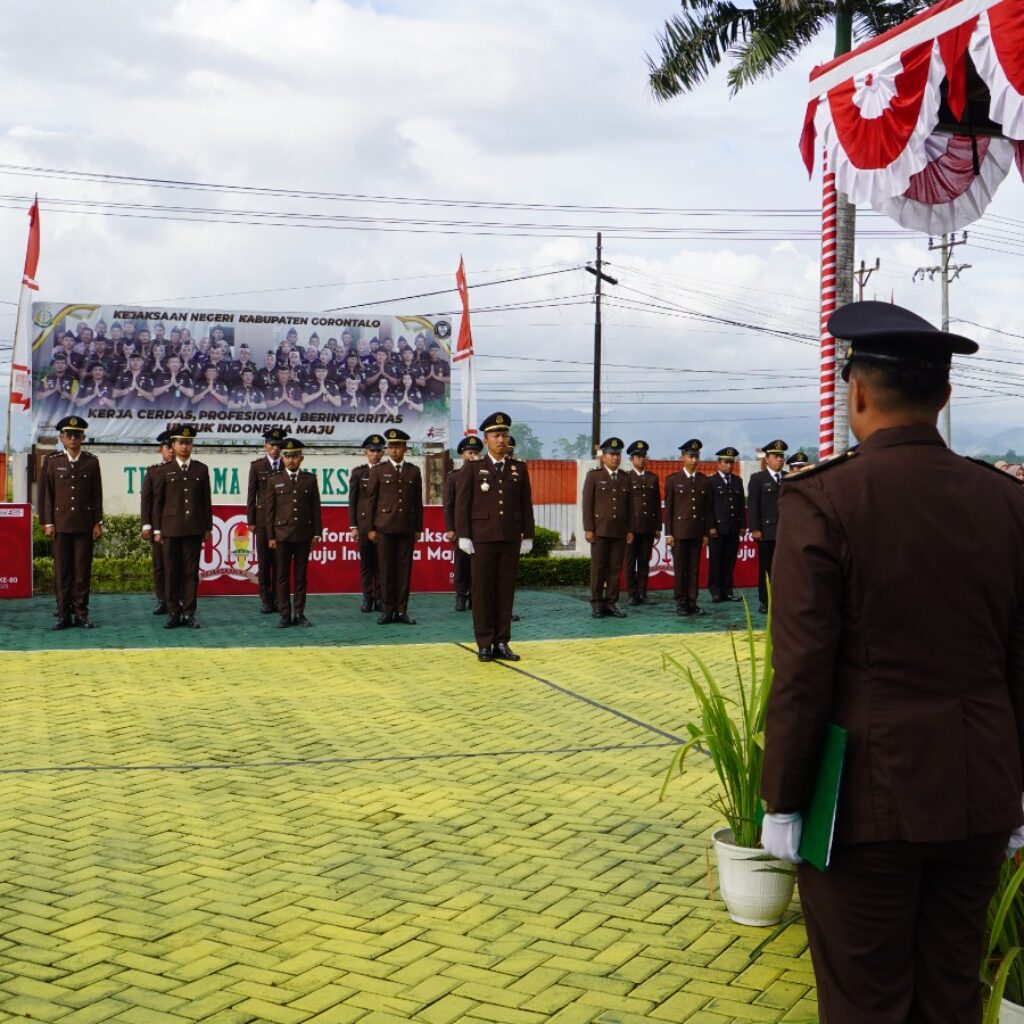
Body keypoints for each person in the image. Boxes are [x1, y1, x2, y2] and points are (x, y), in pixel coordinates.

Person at [761, 301, 1024, 1024]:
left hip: (861, 807)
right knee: (950, 993)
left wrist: (783, 800)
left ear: (858, 392)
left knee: (865, 1001)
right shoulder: (1005, 501)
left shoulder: (824, 498)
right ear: (944, 395)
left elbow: (803, 670)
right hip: (978, 792)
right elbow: (1020, 660)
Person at [454, 411, 534, 662]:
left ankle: (502, 641)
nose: (501, 440)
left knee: (505, 592)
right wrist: (464, 535)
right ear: (486, 439)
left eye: (505, 435)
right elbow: (462, 504)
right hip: (483, 539)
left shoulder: (518, 468)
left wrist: (527, 535)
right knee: (482, 592)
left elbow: (525, 504)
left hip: (509, 537)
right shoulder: (473, 467)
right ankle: (485, 643)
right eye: (496, 435)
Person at [37, 416, 103, 629]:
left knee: (82, 571)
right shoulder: (53, 461)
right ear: (61, 437)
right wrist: (47, 522)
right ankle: (64, 614)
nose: (73, 438)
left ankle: (82, 614)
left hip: (84, 525)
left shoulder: (91, 461)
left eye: (77, 435)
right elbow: (46, 494)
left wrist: (97, 522)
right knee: (63, 572)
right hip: (61, 525)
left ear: (83, 437)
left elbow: (96, 495)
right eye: (69, 435)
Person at [153, 424, 212, 629]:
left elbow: (206, 501)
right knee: (171, 571)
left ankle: (189, 612)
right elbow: (158, 502)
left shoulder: (201, 469)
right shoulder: (163, 470)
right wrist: (158, 530)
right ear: (173, 445)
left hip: (194, 529)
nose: (185, 447)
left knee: (190, 572)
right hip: (170, 529)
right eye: (181, 443)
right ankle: (173, 612)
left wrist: (207, 527)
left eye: (188, 443)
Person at [365, 428, 423, 625]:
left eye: (397, 446)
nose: (393, 450)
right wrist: (371, 528)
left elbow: (417, 503)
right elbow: (370, 501)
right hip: (384, 528)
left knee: (404, 571)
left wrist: (418, 529)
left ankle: (401, 610)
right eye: (391, 446)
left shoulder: (413, 471)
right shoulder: (378, 471)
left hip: (406, 528)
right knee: (386, 570)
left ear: (405, 448)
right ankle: (387, 609)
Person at [266, 438, 322, 628]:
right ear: (282, 459)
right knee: (281, 577)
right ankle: (284, 614)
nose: (291, 460)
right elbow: (270, 511)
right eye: (287, 456)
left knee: (300, 577)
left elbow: (315, 508)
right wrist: (271, 536)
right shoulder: (274, 480)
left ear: (301, 458)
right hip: (281, 536)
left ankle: (299, 613)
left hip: (303, 535)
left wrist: (317, 533)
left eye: (295, 456)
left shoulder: (310, 479)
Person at [581, 437, 632, 618]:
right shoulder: (594, 476)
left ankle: (611, 603)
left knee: (615, 569)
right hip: (600, 530)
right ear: (603, 456)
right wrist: (589, 528)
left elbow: (630, 506)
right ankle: (596, 603)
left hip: (619, 531)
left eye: (618, 454)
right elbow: (587, 504)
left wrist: (630, 529)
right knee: (599, 568)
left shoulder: (626, 478)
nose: (615, 458)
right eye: (612, 454)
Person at [664, 439, 713, 617]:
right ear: (682, 457)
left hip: (697, 532)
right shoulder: (673, 480)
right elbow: (668, 509)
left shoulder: (703, 481)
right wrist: (668, 533)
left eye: (696, 456)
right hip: (679, 533)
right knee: (680, 568)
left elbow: (707, 510)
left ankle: (692, 601)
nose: (694, 460)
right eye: (690, 456)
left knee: (694, 569)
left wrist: (706, 533)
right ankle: (681, 602)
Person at [247, 427, 287, 614]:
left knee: (280, 562)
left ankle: (279, 598)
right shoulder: (257, 466)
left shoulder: (287, 465)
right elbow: (251, 495)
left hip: (282, 521)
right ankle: (265, 598)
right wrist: (251, 521)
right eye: (272, 444)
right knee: (264, 563)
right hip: (263, 521)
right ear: (265, 445)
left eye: (279, 445)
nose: (276, 448)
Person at [747, 439, 788, 614]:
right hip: (766, 532)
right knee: (766, 567)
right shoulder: (758, 479)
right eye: (776, 456)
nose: (780, 459)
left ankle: (782, 599)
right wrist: (755, 529)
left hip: (786, 532)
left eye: (782, 456)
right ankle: (765, 600)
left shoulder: (788, 478)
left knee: (784, 568)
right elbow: (753, 506)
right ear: (767, 459)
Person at [444, 435, 483, 611]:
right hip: (460, 527)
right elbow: (449, 505)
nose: (472, 456)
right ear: (462, 454)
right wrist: (450, 528)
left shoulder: (485, 476)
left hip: (480, 528)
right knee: (461, 564)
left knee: (478, 565)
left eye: (475, 452)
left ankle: (476, 597)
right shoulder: (454, 477)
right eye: (469, 452)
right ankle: (461, 597)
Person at [140, 430, 175, 615]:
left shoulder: (184, 470)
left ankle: (178, 599)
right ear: (160, 449)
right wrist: (146, 525)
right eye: (168, 447)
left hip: (177, 526)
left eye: (172, 447)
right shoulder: (154, 471)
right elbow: (146, 500)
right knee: (160, 565)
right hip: (157, 526)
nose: (171, 451)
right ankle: (162, 599)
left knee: (177, 565)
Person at [348, 434, 385, 612]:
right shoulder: (359, 473)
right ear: (366, 452)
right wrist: (353, 526)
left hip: (382, 525)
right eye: (372, 451)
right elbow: (353, 501)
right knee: (366, 566)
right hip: (363, 526)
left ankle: (380, 598)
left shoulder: (387, 471)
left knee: (381, 565)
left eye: (378, 451)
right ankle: (367, 598)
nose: (375, 454)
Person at [623, 439, 661, 606]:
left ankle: (642, 593)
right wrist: (626, 528)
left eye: (644, 456)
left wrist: (657, 527)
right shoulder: (626, 478)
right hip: (632, 528)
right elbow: (624, 505)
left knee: (644, 562)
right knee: (631, 562)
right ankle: (631, 593)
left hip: (647, 527)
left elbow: (656, 504)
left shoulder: (653, 478)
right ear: (632, 459)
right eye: (638, 457)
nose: (641, 459)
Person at [707, 446, 745, 603]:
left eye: (731, 462)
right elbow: (708, 507)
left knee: (730, 560)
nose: (729, 465)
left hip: (733, 527)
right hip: (717, 528)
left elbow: (741, 505)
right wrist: (711, 526)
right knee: (716, 561)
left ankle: (728, 591)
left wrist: (742, 525)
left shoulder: (737, 481)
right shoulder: (711, 481)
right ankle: (716, 591)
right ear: (719, 463)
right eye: (726, 462)